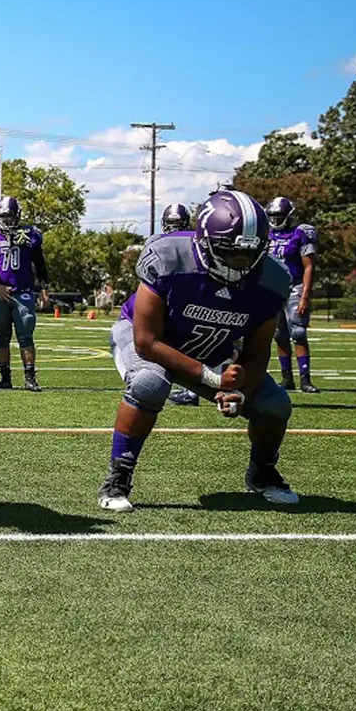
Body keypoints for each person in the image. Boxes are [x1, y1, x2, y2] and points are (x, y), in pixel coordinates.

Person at [98, 190, 297, 513]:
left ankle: (262, 473)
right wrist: (209, 376)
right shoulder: (168, 257)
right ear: (203, 242)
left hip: (211, 349)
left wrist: (240, 392)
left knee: (274, 404)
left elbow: (257, 353)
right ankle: (117, 477)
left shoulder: (272, 280)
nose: (241, 262)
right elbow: (146, 341)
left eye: (249, 252)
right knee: (150, 383)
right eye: (229, 251)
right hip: (147, 340)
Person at [0, 196, 49, 392]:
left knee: (26, 336)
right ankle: (5, 378)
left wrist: (44, 287)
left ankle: (30, 378)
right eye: (2, 216)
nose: (6, 220)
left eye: (9, 216)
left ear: (17, 216)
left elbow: (39, 263)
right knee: (2, 337)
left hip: (23, 292)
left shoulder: (30, 234)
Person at [264, 196, 319, 394]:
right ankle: (287, 377)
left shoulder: (300, 233)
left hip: (293, 287)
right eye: (273, 215)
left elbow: (308, 266)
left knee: (298, 332)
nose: (276, 219)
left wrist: (305, 295)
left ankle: (305, 378)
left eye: (279, 216)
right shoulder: (266, 234)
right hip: (272, 289)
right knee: (279, 335)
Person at [153, 202, 201, 408]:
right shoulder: (159, 241)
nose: (173, 228)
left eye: (177, 223)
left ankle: (192, 390)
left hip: (188, 296)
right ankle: (186, 387)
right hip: (168, 295)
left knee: (189, 343)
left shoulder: (194, 242)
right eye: (170, 223)